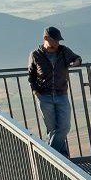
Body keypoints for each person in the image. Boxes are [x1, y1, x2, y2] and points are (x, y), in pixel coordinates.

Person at [27, 26, 82, 156]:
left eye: (58, 40)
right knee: (52, 130)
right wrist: (35, 91)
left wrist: (76, 62)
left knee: (64, 127)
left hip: (61, 94)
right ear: (45, 38)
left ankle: (49, 156)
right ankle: (63, 157)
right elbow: (31, 75)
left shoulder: (64, 51)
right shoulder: (35, 54)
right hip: (44, 96)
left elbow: (77, 58)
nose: (58, 43)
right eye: (55, 40)